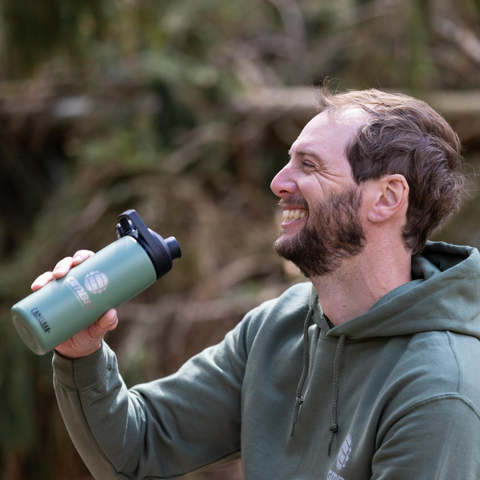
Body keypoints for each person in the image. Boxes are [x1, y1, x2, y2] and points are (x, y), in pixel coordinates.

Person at [33, 88, 480, 480]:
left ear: (386, 198)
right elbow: (138, 447)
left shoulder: (437, 389)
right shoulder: (275, 327)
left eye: (309, 165)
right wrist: (82, 353)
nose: (278, 182)